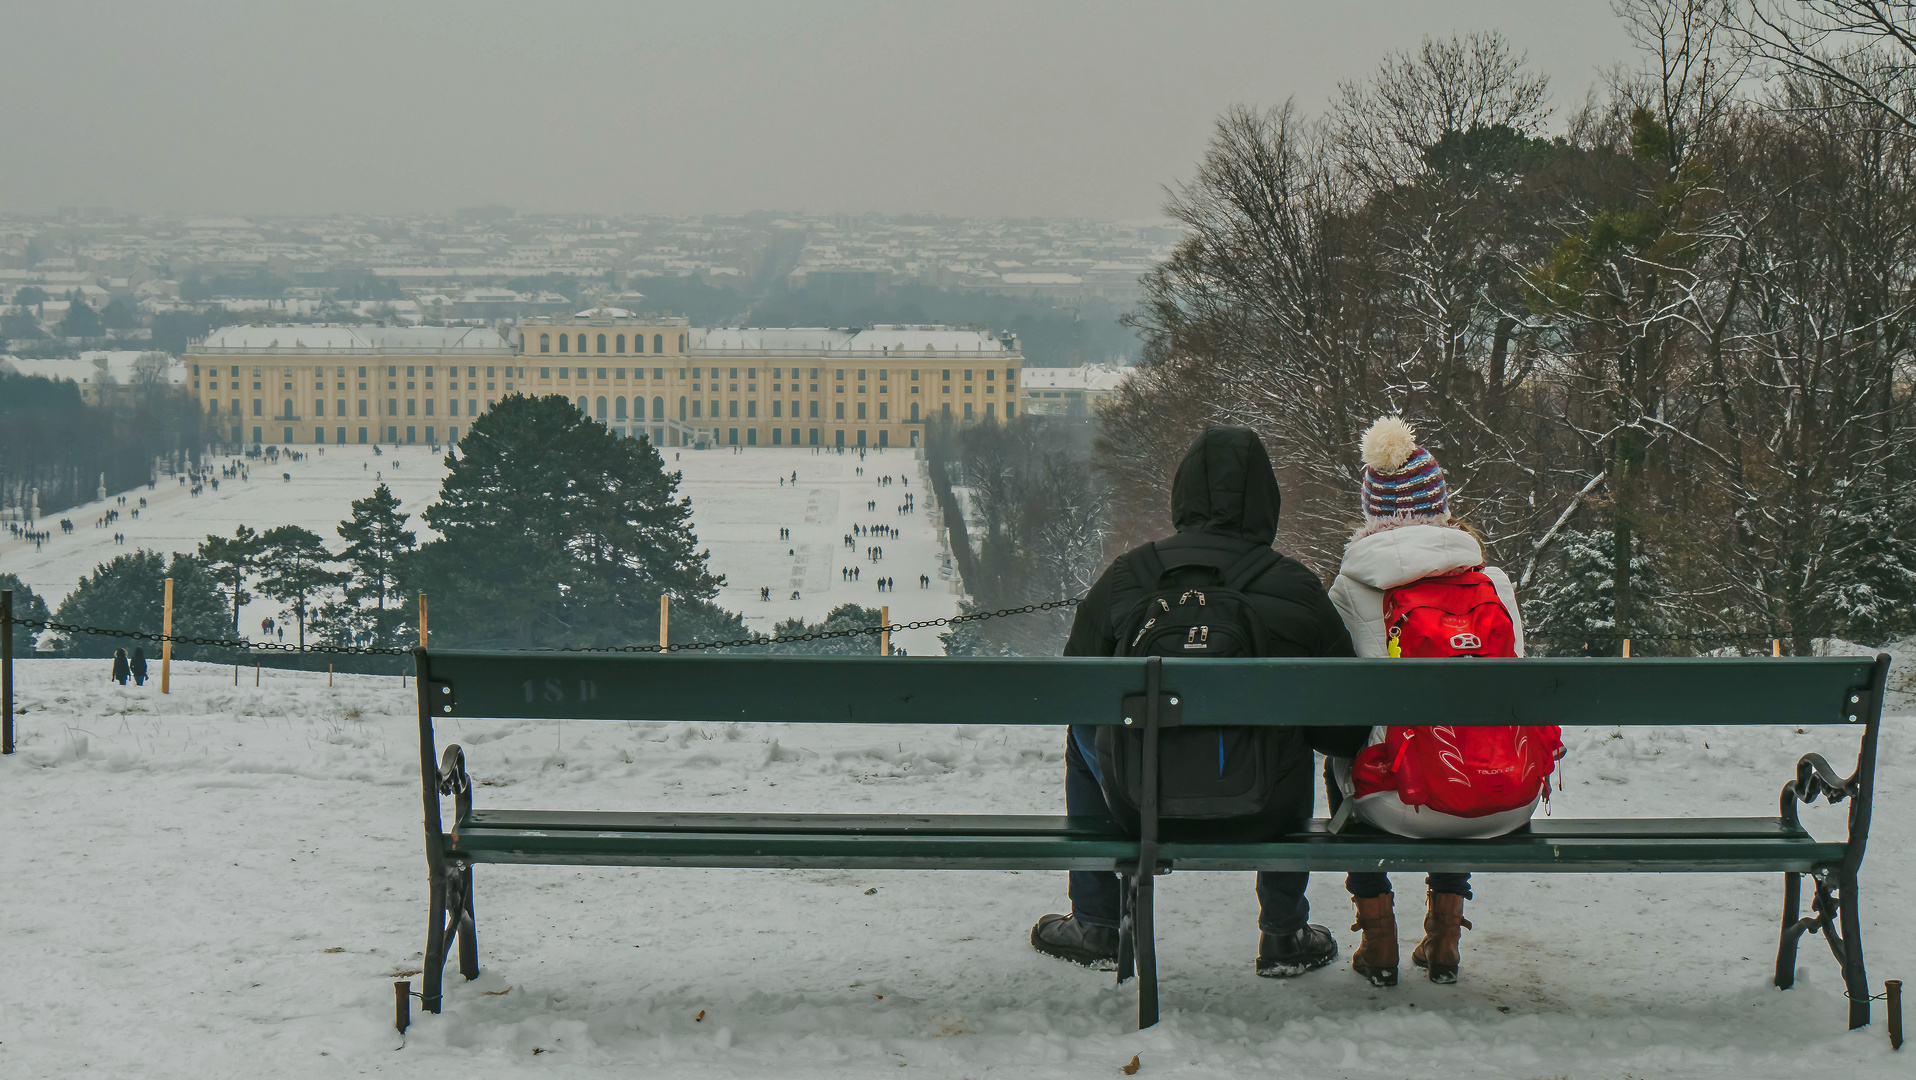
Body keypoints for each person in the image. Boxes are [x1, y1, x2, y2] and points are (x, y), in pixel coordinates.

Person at [1030, 427, 1356, 978]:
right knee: (1293, 738)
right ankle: (1283, 933)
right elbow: (1343, 733)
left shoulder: (1127, 577)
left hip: (1139, 804)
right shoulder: (1295, 586)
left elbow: (1074, 689)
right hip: (1265, 811)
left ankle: (1096, 921)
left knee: (1083, 725)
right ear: (1266, 502)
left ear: (1180, 494)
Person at [1322, 417, 1529, 986]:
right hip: (1498, 798)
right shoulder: (1494, 584)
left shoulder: (1351, 586)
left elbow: (1338, 704)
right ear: (1440, 504)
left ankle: (1378, 937)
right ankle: (1445, 939)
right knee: (1463, 729)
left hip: (1394, 802)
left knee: (1347, 753)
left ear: (1372, 511)